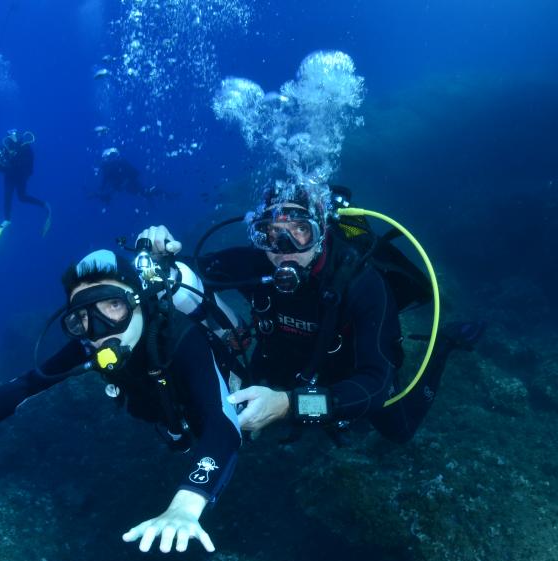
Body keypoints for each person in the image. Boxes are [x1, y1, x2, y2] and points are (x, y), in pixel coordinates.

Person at [0, 248, 241, 553]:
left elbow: (223, 424)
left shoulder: (182, 337)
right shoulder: (90, 344)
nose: (100, 330)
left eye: (112, 306)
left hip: (220, 404)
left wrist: (186, 504)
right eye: (83, 317)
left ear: (139, 301)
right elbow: (24, 386)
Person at [137, 180, 484, 444]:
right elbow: (183, 274)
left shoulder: (360, 283)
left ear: (322, 233)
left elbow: (374, 385)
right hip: (284, 359)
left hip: (349, 372)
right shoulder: (255, 262)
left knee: (400, 431)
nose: (283, 250)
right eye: (271, 234)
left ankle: (445, 342)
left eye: (300, 231)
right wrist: (158, 256)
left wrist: (290, 405)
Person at [0, 129, 52, 257]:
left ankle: (44, 204)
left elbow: (20, 167)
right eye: (10, 137)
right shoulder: (6, 146)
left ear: (18, 137)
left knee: (22, 197)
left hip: (20, 177)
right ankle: (7, 219)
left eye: (13, 136)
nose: (11, 139)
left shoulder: (26, 150)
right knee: (7, 197)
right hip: (10, 177)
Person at [89, 148, 173, 211]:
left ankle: (163, 194)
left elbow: (135, 173)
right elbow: (104, 183)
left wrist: (125, 182)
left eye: (113, 156)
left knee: (146, 192)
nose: (111, 159)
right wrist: (101, 192)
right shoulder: (106, 168)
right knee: (145, 193)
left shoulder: (122, 163)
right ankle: (159, 196)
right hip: (123, 188)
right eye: (109, 157)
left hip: (131, 185)